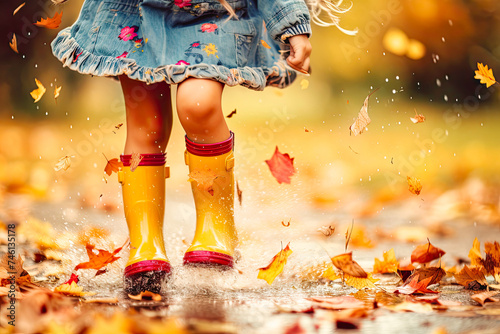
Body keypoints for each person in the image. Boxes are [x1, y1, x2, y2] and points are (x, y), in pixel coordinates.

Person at [51, 0, 352, 294]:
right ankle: (145, 242)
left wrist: (292, 23)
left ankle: (217, 228)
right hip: (136, 13)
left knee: (198, 104)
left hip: (212, 15)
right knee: (147, 123)